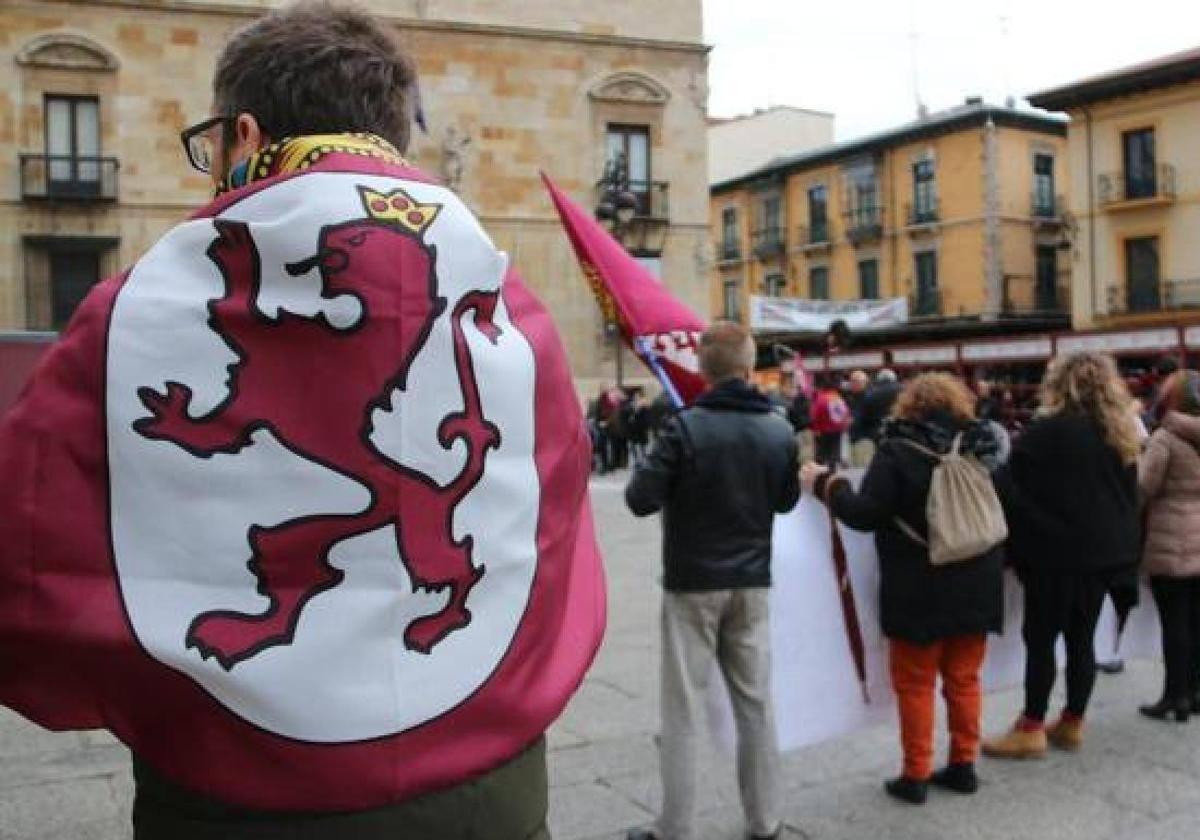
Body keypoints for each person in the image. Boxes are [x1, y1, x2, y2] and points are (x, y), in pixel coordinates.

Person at [0, 4, 604, 838]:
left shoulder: (139, 311)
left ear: (242, 136)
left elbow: (29, 534)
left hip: (238, 799)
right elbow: (556, 526)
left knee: (300, 544)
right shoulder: (513, 316)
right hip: (486, 800)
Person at [624, 320, 800, 840]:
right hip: (752, 582)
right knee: (756, 705)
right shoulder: (779, 429)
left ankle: (675, 827)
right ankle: (765, 822)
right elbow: (787, 501)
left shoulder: (683, 427)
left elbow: (639, 498)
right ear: (750, 368)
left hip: (693, 581)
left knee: (681, 707)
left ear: (701, 369)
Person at [801, 373, 1003, 805]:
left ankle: (915, 774)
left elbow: (865, 513)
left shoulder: (897, 450)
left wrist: (825, 484)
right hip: (977, 578)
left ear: (908, 406)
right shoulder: (982, 445)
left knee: (915, 684)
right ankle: (964, 765)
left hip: (919, 585)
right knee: (965, 679)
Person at [984, 352, 1141, 758]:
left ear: (1060, 384)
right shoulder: (1119, 434)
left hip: (1053, 554)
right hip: (1103, 555)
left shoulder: (1045, 434)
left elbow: (1008, 485)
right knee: (1081, 638)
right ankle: (1073, 721)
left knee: (1041, 639)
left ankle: (1031, 726)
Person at [1137, 369, 1200, 722]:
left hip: (1172, 540)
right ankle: (1195, 691)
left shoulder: (1166, 437)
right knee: (1196, 620)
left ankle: (1174, 696)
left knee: (1174, 622)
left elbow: (1144, 488)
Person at [810, 375, 852, 467]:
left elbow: (815, 414)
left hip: (823, 430)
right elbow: (845, 413)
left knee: (821, 455)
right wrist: (844, 426)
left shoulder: (820, 399)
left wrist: (816, 429)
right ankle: (832, 472)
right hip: (837, 430)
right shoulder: (838, 398)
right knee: (834, 453)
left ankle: (819, 474)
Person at [854, 368, 902, 446]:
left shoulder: (871, 394)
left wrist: (857, 436)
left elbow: (862, 416)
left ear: (879, 380)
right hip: (899, 431)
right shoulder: (904, 390)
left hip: (877, 433)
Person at [845, 369, 874, 467]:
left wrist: (852, 421)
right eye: (851, 381)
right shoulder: (853, 397)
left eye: (854, 381)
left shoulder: (869, 397)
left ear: (863, 382)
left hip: (864, 439)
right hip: (854, 438)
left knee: (862, 468)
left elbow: (866, 417)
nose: (851, 384)